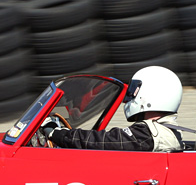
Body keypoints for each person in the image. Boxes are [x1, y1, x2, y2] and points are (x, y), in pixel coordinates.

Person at [41, 65, 184, 152]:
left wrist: (58, 134)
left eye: (134, 90)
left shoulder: (149, 135)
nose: (130, 96)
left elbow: (103, 141)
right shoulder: (163, 131)